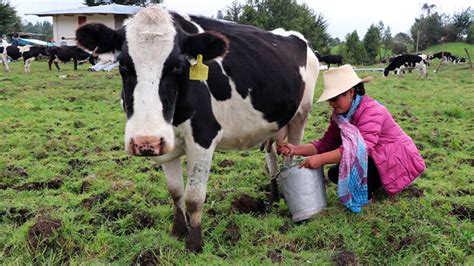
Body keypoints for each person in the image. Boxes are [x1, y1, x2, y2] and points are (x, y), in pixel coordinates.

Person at [277, 64, 425, 212]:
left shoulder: (372, 111)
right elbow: (326, 144)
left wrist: (320, 159)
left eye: (335, 98)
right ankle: (376, 188)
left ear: (351, 92)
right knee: (335, 173)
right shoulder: (340, 116)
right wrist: (295, 149)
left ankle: (379, 190)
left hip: (396, 157)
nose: (332, 104)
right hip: (376, 156)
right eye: (329, 99)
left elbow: (360, 149)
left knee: (344, 170)